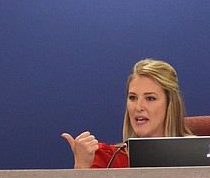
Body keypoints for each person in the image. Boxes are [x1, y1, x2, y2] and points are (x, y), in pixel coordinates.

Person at [62, 58, 193, 168]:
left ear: (171, 105)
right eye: (133, 98)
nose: (138, 107)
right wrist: (82, 166)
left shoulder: (197, 154)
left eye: (150, 98)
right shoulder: (107, 158)